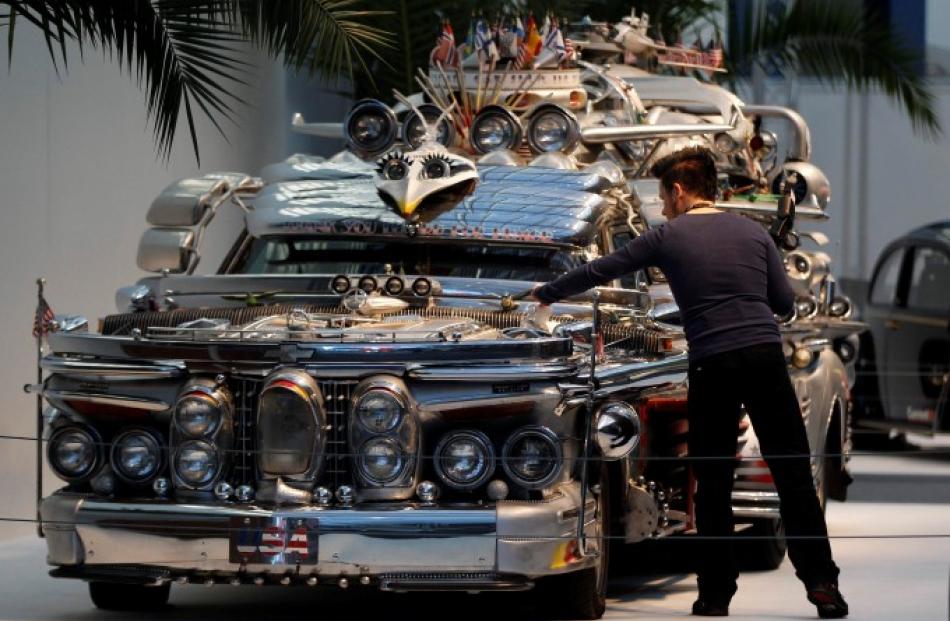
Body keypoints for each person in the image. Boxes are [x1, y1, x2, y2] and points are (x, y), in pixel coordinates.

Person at [532, 147, 848, 618]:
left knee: (714, 482)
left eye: (664, 197)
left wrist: (545, 293)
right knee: (793, 475)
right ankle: (823, 585)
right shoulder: (754, 233)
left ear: (678, 191)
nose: (664, 207)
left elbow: (603, 270)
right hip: (764, 358)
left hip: (713, 363)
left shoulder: (667, 236)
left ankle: (715, 596)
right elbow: (782, 303)